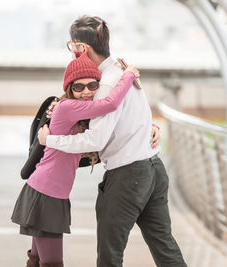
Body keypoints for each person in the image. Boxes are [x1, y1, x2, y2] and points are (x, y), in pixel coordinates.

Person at [38, 16, 187, 267]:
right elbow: (137, 115)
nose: (72, 52)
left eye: (72, 46)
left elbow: (96, 138)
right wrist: (151, 127)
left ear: (82, 48)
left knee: (109, 255)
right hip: (153, 169)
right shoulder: (124, 71)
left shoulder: (106, 83)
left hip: (128, 176)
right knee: (165, 247)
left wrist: (50, 140)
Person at [11, 52, 140, 267]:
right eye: (78, 87)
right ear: (69, 88)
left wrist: (150, 128)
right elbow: (109, 104)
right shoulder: (67, 107)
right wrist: (127, 76)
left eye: (92, 85)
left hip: (49, 193)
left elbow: (114, 125)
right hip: (46, 195)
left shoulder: (80, 115)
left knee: (37, 258)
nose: (86, 92)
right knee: (53, 263)